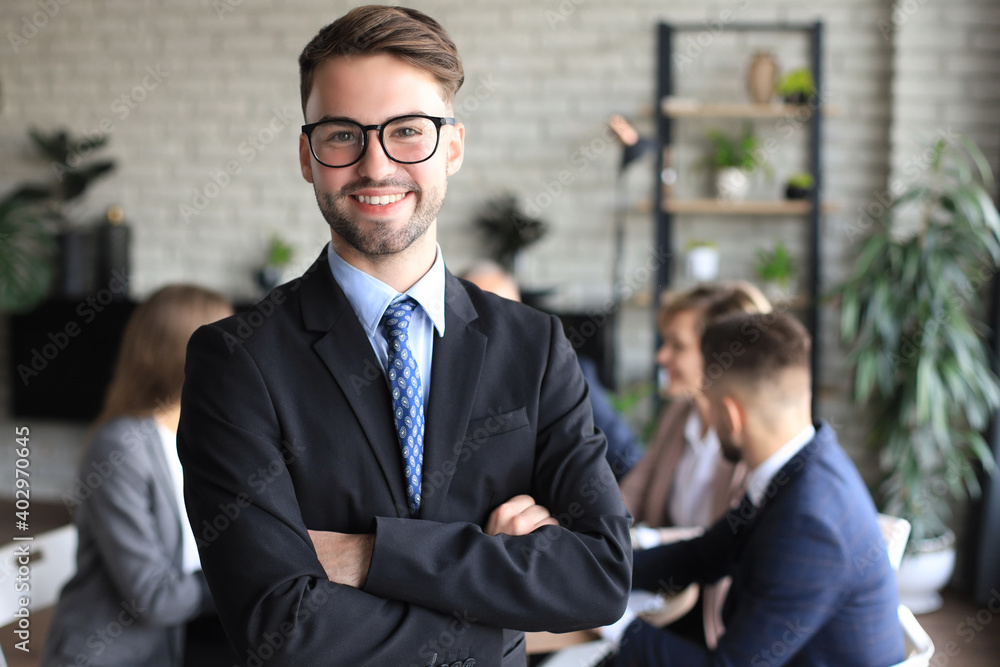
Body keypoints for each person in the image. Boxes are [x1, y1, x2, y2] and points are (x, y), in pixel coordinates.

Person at [176, 6, 631, 667]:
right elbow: (278, 626)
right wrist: (498, 615)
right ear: (307, 155)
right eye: (342, 135)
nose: (376, 165)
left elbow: (601, 574)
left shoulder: (534, 347)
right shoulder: (236, 360)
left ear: (452, 145)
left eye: (407, 131)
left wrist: (371, 554)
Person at [609, 312, 905, 666]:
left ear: (731, 415)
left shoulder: (809, 523)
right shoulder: (801, 465)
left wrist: (610, 622)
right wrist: (597, 573)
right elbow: (702, 555)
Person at [42, 285, 235, 667]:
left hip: (169, 648)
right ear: (183, 353)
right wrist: (243, 579)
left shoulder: (199, 437)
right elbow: (155, 598)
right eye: (228, 340)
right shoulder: (120, 448)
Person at [618, 281, 770, 646]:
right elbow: (635, 489)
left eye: (677, 345)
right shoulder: (680, 413)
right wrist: (590, 529)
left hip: (713, 610)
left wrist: (645, 539)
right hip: (665, 587)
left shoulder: (752, 435)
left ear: (722, 352)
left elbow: (729, 538)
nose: (661, 357)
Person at [460, 261, 642, 480]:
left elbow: (626, 456)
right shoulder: (435, 378)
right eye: (480, 313)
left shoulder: (566, 372)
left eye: (506, 310)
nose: (496, 325)